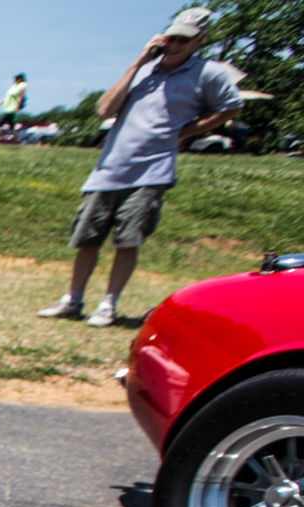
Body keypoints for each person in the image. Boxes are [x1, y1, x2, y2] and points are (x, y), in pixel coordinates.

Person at [38, 9, 241, 327]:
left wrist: (186, 132)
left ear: (199, 40)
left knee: (127, 240)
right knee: (87, 239)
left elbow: (231, 107)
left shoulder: (208, 73)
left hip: (151, 172)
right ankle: (72, 300)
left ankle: (108, 305)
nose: (175, 45)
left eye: (184, 40)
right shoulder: (143, 70)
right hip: (108, 169)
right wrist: (137, 63)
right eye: (172, 38)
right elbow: (105, 109)